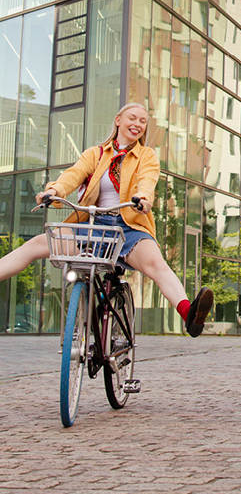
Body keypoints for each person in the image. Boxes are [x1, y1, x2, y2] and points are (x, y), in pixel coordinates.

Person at [0, 103, 214, 337]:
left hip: (129, 226)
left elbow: (147, 181)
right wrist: (54, 191)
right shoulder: (96, 154)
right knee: (39, 243)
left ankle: (188, 314)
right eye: (132, 118)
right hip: (95, 225)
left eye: (143, 122)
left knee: (155, 262)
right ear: (118, 120)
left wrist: (143, 199)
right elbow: (73, 175)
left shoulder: (146, 156)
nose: (138, 125)